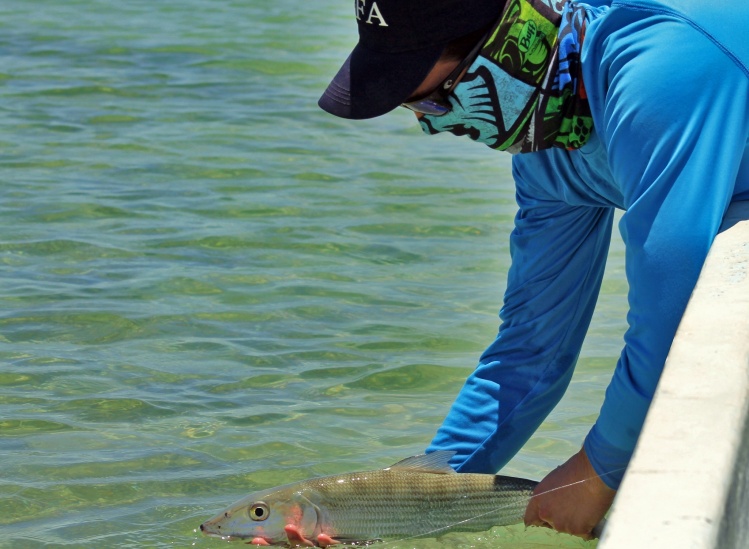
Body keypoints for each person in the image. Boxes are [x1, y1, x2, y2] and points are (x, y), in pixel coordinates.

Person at [318, 0, 749, 539]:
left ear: (500, 46)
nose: (433, 127)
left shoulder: (657, 73)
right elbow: (531, 353)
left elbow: (669, 313)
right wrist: (408, 498)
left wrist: (598, 469)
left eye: (430, 100)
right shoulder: (548, 146)